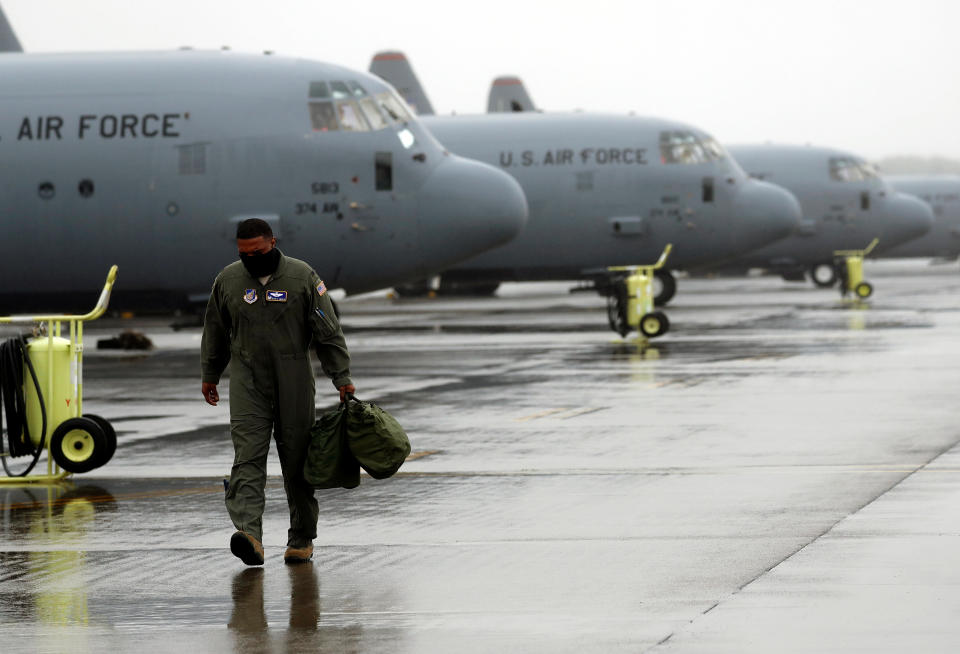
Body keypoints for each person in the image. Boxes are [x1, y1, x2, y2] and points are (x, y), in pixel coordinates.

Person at [201, 218, 355, 566]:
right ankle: (249, 535)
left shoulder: (302, 277)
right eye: (243, 253)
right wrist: (210, 373)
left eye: (257, 251)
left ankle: (301, 538)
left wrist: (341, 376)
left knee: (297, 460)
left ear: (272, 242)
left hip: (294, 377)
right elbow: (214, 330)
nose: (250, 258)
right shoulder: (228, 280)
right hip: (247, 379)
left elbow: (327, 330)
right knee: (248, 457)